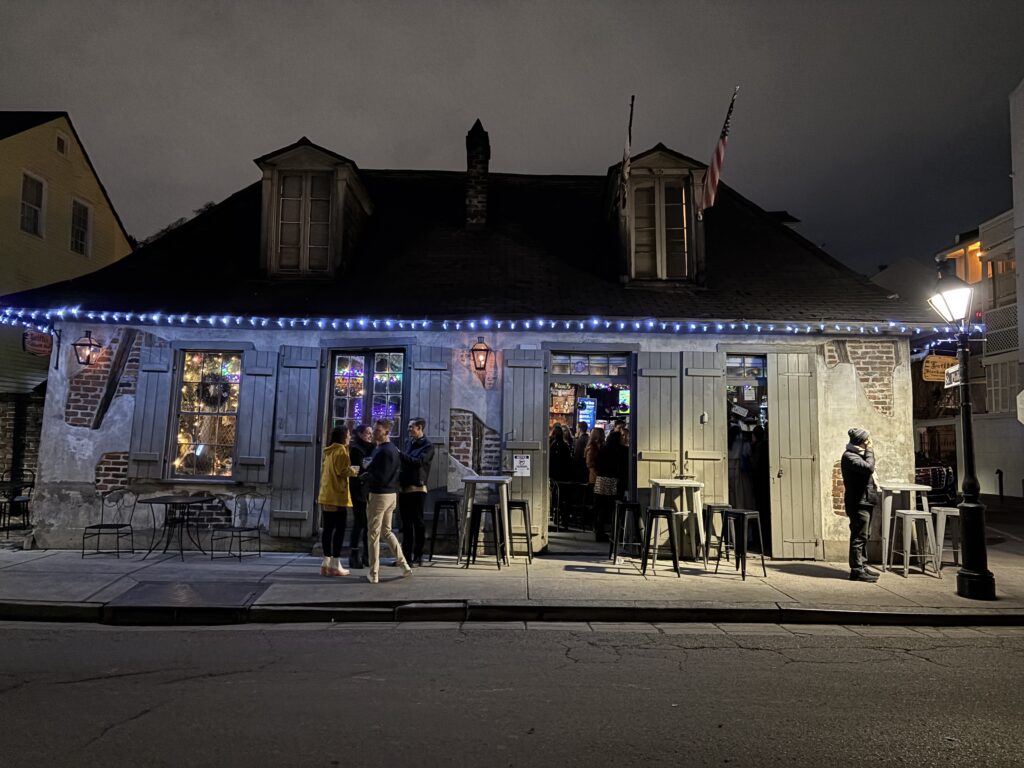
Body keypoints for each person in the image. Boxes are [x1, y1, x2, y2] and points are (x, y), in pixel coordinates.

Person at [363, 419, 412, 584]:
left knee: (374, 534)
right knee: (387, 532)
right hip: (392, 494)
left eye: (378, 430)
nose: (375, 433)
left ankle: (374, 572)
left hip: (379, 494)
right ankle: (404, 565)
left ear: (386, 432)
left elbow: (379, 475)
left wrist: (366, 472)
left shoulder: (382, 451)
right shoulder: (393, 450)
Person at [316, 425, 357, 577]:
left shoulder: (329, 451)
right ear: (343, 436)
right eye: (348, 434)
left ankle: (325, 563)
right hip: (337, 496)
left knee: (327, 529)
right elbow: (342, 471)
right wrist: (354, 471)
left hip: (326, 494)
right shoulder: (341, 451)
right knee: (339, 530)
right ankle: (335, 564)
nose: (349, 437)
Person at [841, 427, 879, 583]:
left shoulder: (858, 455)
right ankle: (856, 570)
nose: (869, 442)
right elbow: (868, 468)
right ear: (861, 441)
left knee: (864, 535)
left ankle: (862, 564)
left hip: (866, 500)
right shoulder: (850, 457)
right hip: (858, 502)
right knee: (858, 536)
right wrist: (870, 450)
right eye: (867, 440)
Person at [399, 417, 435, 567]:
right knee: (406, 525)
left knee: (418, 522)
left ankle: (418, 555)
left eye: (411, 427)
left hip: (418, 488)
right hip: (404, 488)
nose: (409, 429)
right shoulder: (408, 443)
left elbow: (419, 462)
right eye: (408, 427)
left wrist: (400, 454)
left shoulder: (428, 446)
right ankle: (406, 557)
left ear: (420, 428)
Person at [346, 424, 374, 569]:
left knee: (368, 524)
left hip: (369, 490)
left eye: (371, 433)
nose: (370, 435)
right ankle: (354, 554)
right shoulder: (356, 449)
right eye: (368, 433)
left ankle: (367, 555)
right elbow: (358, 470)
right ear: (361, 434)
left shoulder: (372, 447)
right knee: (360, 522)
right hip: (358, 490)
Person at [593, 429, 629, 541]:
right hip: (614, 482)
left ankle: (599, 532)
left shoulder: (603, 449)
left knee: (601, 508)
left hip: (601, 481)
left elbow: (596, 464)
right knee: (615, 509)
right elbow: (624, 468)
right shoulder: (623, 451)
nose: (624, 439)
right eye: (622, 438)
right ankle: (616, 533)